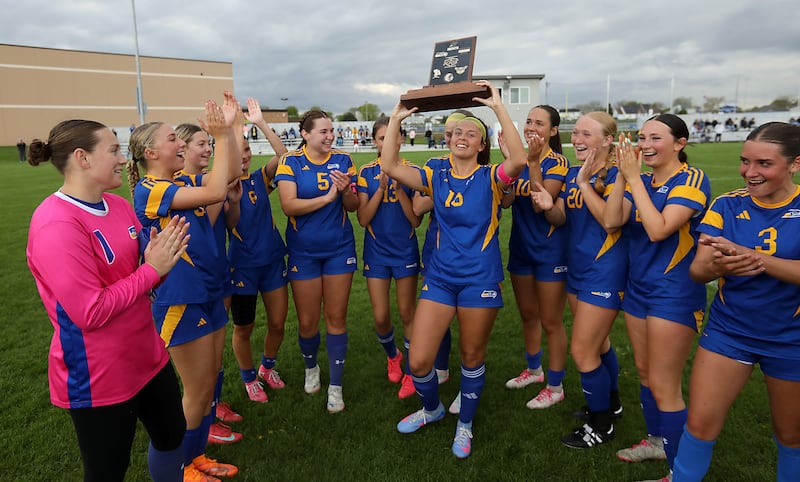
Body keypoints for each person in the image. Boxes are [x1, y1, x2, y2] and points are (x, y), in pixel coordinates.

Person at [26, 119, 188, 481]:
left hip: (147, 354)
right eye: (113, 150)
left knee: (172, 433)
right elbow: (89, 311)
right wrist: (151, 270)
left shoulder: (117, 205)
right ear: (82, 157)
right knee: (108, 470)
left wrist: (163, 260)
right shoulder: (56, 223)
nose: (121, 158)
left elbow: (144, 275)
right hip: (98, 373)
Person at [383, 80, 527, 459]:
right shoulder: (435, 174)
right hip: (441, 278)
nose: (462, 136)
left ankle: (465, 424)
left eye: (471, 134)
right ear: (448, 140)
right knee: (418, 359)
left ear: (482, 145)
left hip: (479, 279)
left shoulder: (491, 178)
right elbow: (389, 165)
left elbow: (517, 161)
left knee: (471, 358)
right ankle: (431, 409)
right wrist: (397, 117)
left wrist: (497, 109)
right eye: (457, 132)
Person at [672, 122, 800, 482]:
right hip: (731, 331)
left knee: (791, 436)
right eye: (745, 161)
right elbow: (698, 270)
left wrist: (753, 258)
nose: (750, 172)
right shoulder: (726, 205)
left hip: (791, 337)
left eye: (764, 164)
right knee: (699, 424)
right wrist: (718, 264)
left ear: (795, 164)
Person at [127, 93, 242, 481]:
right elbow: (214, 192)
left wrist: (232, 129)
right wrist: (223, 136)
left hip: (208, 292)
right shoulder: (150, 189)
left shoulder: (182, 182)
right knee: (194, 391)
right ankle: (179, 468)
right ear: (150, 151)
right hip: (181, 299)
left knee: (208, 384)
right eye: (173, 138)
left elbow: (223, 181)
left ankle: (196, 459)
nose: (181, 143)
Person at [603, 114, 711, 480]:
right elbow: (611, 220)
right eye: (642, 137)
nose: (646, 144)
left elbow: (659, 229)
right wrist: (622, 175)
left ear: (680, 143)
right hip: (639, 289)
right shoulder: (643, 179)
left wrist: (634, 178)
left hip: (674, 294)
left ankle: (680, 472)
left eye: (656, 138)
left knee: (666, 385)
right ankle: (656, 441)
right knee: (647, 374)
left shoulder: (691, 180)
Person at [532, 112, 627, 449]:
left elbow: (611, 222)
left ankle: (601, 426)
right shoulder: (573, 174)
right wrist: (547, 205)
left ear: (607, 140)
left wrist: (586, 185)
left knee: (583, 351)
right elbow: (560, 217)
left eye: (587, 134)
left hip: (605, 272)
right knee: (598, 346)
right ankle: (610, 405)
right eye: (576, 133)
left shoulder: (618, 176)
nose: (578, 139)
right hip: (578, 270)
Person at [274, 109, 359, 413]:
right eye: (322, 131)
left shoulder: (343, 160)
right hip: (304, 253)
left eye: (331, 130)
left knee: (336, 318)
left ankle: (335, 386)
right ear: (306, 135)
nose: (329, 136)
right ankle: (312, 368)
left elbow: (352, 205)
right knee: (308, 321)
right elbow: (288, 206)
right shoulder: (291, 161)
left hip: (339, 249)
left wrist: (347, 188)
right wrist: (327, 196)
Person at [174, 122, 244, 445]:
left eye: (208, 144)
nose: (207, 150)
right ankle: (204, 419)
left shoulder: (200, 182)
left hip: (217, 273)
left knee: (215, 360)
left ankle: (212, 409)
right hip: (194, 283)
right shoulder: (176, 185)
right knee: (201, 370)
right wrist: (233, 129)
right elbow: (226, 176)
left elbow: (228, 183)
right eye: (200, 144)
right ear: (182, 147)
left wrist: (233, 129)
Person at [501, 105, 569, 409]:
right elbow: (505, 200)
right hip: (521, 248)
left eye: (539, 123)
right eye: (528, 121)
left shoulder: (558, 162)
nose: (531, 127)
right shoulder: (518, 162)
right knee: (528, 314)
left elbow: (542, 200)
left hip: (550, 252)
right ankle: (534, 370)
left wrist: (529, 162)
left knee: (551, 321)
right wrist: (510, 164)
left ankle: (555, 386)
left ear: (553, 131)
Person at [412, 108, 475, 413]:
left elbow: (501, 201)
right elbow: (418, 206)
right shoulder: (435, 165)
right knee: (437, 315)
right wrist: (447, 192)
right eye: (449, 133)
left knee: (471, 322)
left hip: (472, 257)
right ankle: (442, 368)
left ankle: (468, 380)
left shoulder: (480, 168)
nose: (452, 137)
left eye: (459, 132)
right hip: (437, 253)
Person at [228, 98, 290, 404]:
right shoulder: (218, 188)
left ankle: (267, 367)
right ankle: (249, 377)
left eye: (247, 151)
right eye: (237, 153)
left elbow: (284, 157)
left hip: (273, 263)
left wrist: (260, 124)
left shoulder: (259, 180)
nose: (243, 158)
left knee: (278, 322)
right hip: (242, 269)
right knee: (244, 327)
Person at [356, 116, 422, 399]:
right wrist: (382, 189)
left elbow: (415, 221)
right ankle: (392, 355)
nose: (388, 143)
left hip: (405, 250)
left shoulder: (412, 172)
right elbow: (362, 219)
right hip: (377, 252)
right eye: (381, 139)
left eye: (392, 138)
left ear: (401, 139)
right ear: (374, 142)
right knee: (381, 316)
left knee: (408, 313)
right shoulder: (366, 173)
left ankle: (409, 372)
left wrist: (399, 190)